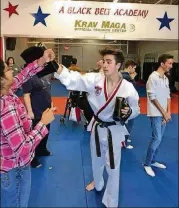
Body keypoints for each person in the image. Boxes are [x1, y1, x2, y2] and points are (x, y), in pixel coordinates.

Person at [54, 48, 140, 208]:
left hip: (114, 130)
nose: (105, 65)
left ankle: (111, 201)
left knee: (113, 167)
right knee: (96, 160)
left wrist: (129, 112)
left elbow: (136, 110)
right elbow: (75, 79)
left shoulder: (128, 88)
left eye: (109, 62)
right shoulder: (95, 79)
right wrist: (55, 66)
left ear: (118, 65)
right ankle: (98, 183)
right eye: (104, 61)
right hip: (97, 126)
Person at [0, 49, 55, 208]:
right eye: (7, 69)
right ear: (1, 79)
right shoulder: (6, 108)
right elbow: (22, 148)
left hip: (13, 167)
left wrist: (41, 61)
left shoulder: (7, 92)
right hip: (14, 170)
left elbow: (23, 75)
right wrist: (42, 123)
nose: (12, 70)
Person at [144, 54, 173, 177]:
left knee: (159, 139)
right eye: (169, 63)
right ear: (162, 64)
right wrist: (163, 112)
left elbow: (168, 96)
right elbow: (152, 98)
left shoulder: (165, 78)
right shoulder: (153, 78)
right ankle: (147, 164)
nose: (171, 66)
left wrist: (169, 112)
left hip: (164, 113)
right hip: (156, 113)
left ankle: (153, 160)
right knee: (157, 138)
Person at [22, 72, 53, 168]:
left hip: (46, 111)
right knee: (35, 135)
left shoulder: (45, 75)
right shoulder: (29, 77)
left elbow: (48, 91)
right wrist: (30, 111)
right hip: (36, 111)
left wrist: (51, 106)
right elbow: (26, 95)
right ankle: (33, 158)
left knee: (46, 131)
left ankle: (42, 149)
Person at [121, 60, 138, 149]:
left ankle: (124, 139)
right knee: (128, 123)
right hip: (127, 103)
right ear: (130, 67)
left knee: (125, 122)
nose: (134, 70)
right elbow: (132, 89)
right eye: (134, 68)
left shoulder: (122, 75)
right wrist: (133, 78)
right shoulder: (126, 76)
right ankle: (124, 142)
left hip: (125, 102)